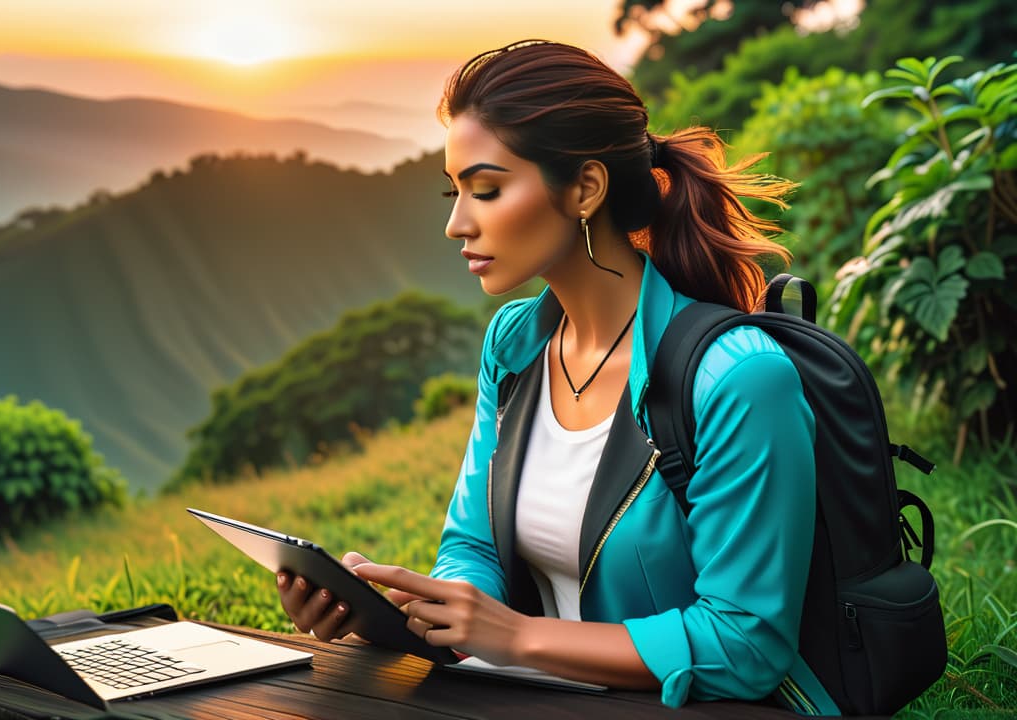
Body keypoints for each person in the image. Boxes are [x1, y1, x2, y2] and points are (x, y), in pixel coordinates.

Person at [277, 39, 835, 712]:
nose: (456, 223)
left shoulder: (738, 379)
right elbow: (473, 546)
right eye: (453, 192)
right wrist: (412, 613)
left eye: (486, 189)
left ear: (585, 189)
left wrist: (520, 637)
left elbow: (746, 646)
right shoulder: (515, 346)